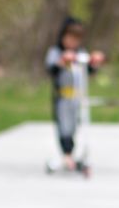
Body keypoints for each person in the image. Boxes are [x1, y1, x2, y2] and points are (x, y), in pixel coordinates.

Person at [45, 17, 105, 171]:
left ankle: (72, 154)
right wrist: (63, 61)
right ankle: (66, 155)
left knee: (74, 126)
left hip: (78, 98)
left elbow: (88, 70)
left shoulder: (81, 53)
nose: (72, 42)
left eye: (76, 39)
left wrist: (95, 62)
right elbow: (51, 70)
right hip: (63, 97)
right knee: (64, 126)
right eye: (70, 38)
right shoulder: (56, 52)